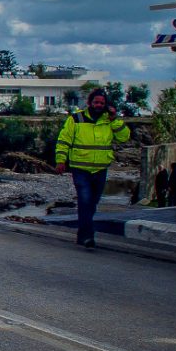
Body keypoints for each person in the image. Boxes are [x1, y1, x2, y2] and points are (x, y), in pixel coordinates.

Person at [54, 88, 131, 249]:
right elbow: (64, 140)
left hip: (100, 169)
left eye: (102, 103)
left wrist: (114, 119)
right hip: (80, 168)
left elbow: (124, 137)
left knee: (92, 203)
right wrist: (61, 160)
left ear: (106, 105)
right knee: (84, 201)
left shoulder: (109, 121)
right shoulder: (76, 119)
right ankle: (88, 235)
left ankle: (82, 234)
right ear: (89, 103)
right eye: (96, 102)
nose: (98, 105)